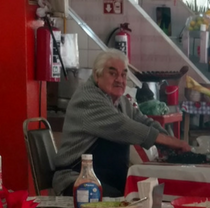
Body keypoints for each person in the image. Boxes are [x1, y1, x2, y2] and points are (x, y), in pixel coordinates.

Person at [53, 50, 191, 197]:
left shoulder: (121, 102)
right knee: (117, 201)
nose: (119, 79)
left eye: (123, 75)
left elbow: (144, 121)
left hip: (108, 179)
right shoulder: (88, 99)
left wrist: (169, 144)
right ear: (97, 75)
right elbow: (123, 126)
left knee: (150, 193)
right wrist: (171, 142)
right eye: (112, 74)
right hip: (76, 178)